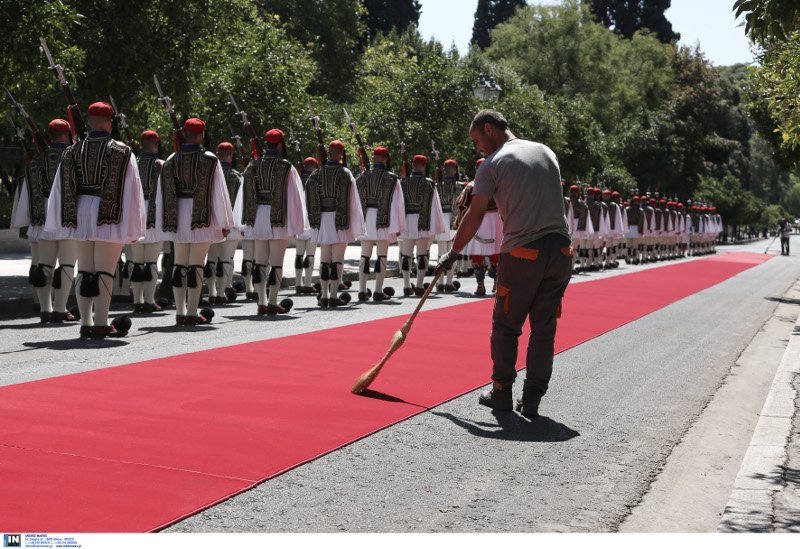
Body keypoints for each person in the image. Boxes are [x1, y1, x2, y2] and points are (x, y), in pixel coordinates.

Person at [437, 109, 571, 419]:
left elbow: (473, 217)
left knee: (506, 326)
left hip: (524, 253)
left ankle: (501, 393)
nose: (477, 148)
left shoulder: (492, 164)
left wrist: (453, 253)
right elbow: (526, 194)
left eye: (476, 140)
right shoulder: (545, 151)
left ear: (488, 129)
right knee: (544, 328)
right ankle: (533, 397)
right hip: (562, 252)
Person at [45, 102, 145, 338]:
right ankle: (101, 323)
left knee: (85, 271)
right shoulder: (122, 151)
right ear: (109, 121)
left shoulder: (71, 150)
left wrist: (60, 218)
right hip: (108, 214)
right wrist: (132, 224)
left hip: (80, 212)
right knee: (104, 272)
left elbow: (60, 188)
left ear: (89, 121)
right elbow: (133, 190)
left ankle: (85, 324)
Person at [153, 118, 234, 325]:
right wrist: (224, 221)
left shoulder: (172, 158)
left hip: (178, 216)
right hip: (202, 216)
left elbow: (162, 193)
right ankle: (190, 312)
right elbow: (218, 193)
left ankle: (180, 312)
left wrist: (164, 221)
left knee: (180, 264)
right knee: (196, 265)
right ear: (201, 135)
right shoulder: (210, 159)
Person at [13, 119, 77, 323]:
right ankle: (60, 309)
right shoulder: (74, 156)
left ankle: (45, 309)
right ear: (67, 134)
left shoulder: (36, 161)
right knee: (66, 264)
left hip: (41, 219)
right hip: (66, 217)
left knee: (44, 265)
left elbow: (27, 193)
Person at [240, 129, 307, 315]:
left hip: (259, 216)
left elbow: (246, 193)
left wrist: (248, 218)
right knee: (276, 263)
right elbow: (294, 198)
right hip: (278, 217)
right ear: (280, 144)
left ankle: (261, 301)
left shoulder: (253, 165)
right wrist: (297, 224)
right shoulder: (286, 166)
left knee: (260, 262)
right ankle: (272, 301)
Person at [305, 140, 365, 307]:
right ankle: (332, 295)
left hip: (323, 219)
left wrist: (313, 219)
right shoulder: (345, 173)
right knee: (337, 259)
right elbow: (353, 202)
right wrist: (355, 223)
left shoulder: (316, 174)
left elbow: (308, 196)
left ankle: (323, 295)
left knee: (324, 259)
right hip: (340, 220)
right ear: (340, 153)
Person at [355, 145, 405, 302]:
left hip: (366, 218)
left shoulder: (363, 176)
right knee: (381, 256)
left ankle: (362, 291)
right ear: (385, 158)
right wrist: (398, 226)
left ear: (373, 157)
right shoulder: (392, 178)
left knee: (364, 255)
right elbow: (398, 204)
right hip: (383, 219)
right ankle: (377, 291)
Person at [399, 154, 446, 296]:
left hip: (407, 221)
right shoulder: (429, 183)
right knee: (422, 255)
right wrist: (436, 226)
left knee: (406, 255)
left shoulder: (403, 182)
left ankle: (407, 285)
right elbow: (435, 206)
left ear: (413, 165)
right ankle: (419, 285)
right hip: (423, 222)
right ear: (424, 166)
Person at [129, 130, 165, 313]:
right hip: (155, 218)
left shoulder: (132, 162)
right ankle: (149, 300)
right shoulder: (161, 165)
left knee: (137, 262)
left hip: (135, 216)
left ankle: (137, 300)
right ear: (156, 144)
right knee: (151, 262)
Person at [206, 141, 244, 305]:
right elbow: (239, 203)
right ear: (231, 155)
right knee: (226, 259)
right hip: (231, 222)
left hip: (213, 221)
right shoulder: (236, 176)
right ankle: (221, 293)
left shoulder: (209, 172)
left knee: (212, 259)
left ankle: (212, 292)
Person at [458, 158, 503, 295]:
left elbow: (462, 204)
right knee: (496, 252)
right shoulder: (499, 184)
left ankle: (480, 285)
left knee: (477, 253)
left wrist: (461, 221)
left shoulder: (472, 185)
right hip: (495, 220)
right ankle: (496, 283)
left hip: (479, 219)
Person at [294, 156, 320, 294]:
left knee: (299, 255)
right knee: (310, 254)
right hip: (313, 220)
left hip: (300, 220)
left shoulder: (298, 180)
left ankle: (298, 283)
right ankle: (308, 283)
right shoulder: (318, 179)